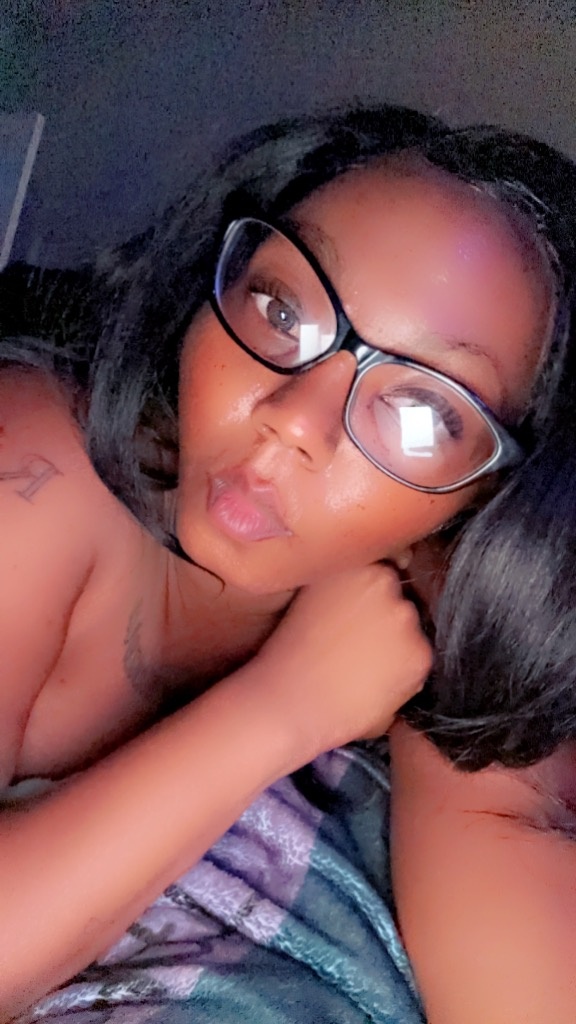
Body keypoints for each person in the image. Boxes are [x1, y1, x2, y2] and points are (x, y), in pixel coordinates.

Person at [1, 103, 576, 1020]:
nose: (294, 420)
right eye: (283, 308)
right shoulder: (34, 472)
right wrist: (284, 706)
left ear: (493, 496)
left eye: (423, 410)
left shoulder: (432, 596)